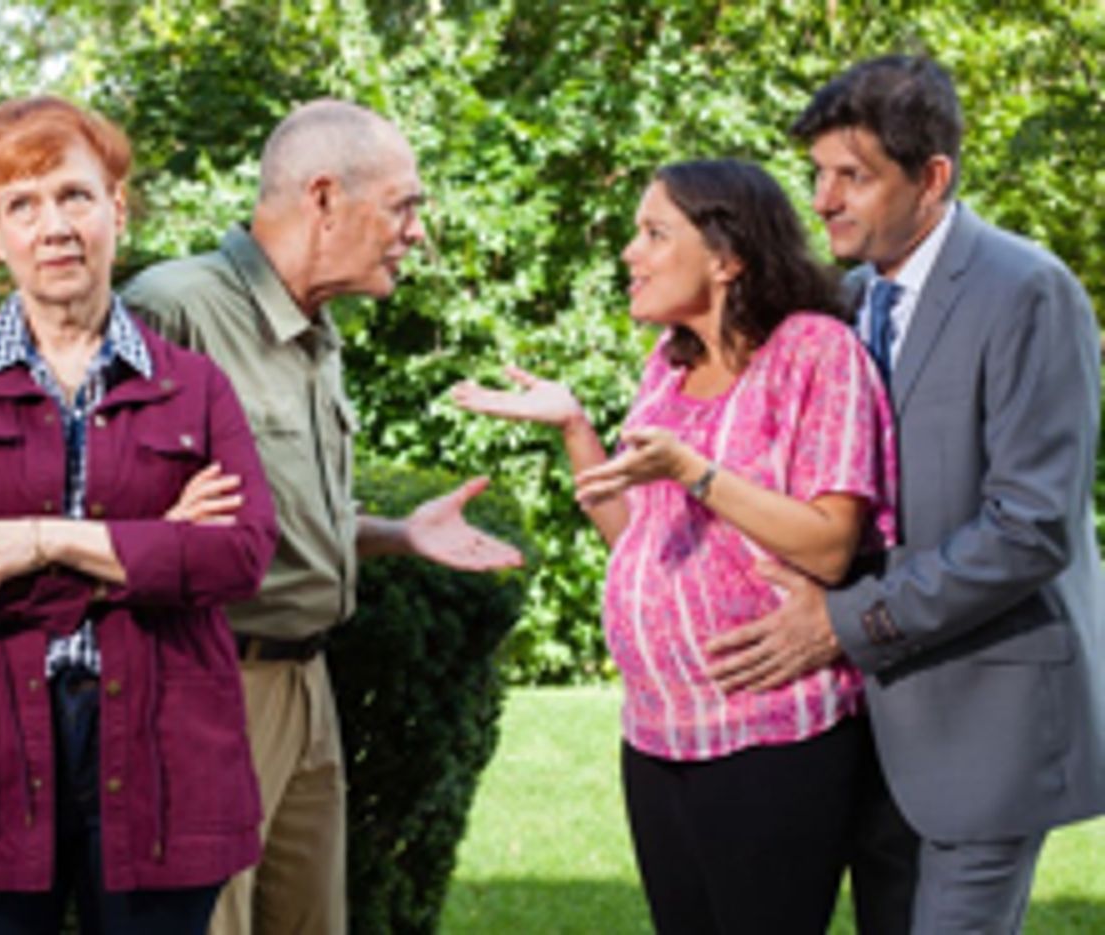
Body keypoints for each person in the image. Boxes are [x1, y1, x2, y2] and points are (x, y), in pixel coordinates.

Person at [704, 55, 1105, 934]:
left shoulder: (1029, 291)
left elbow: (1030, 528)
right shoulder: (847, 302)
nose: (822, 200)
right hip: (868, 729)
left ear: (933, 179)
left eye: (853, 176)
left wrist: (846, 621)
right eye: (817, 174)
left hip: (984, 723)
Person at [452, 158, 897, 933]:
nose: (631, 252)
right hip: (658, 733)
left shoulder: (814, 353)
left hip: (772, 735)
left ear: (728, 258)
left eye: (655, 232)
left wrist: (696, 472)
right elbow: (639, 538)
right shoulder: (669, 362)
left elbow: (830, 546)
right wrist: (576, 429)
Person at [121, 99, 522, 935]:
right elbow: (111, 524)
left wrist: (395, 534)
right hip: (209, 687)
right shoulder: (174, 309)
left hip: (307, 687)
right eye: (404, 205)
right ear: (326, 197)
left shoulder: (315, 328)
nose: (416, 232)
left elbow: (282, 524)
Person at [0, 96, 278, 934]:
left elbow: (242, 554)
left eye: (74, 195)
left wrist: (41, 539)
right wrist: (156, 545)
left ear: (116, 210)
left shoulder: (196, 386)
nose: (53, 225)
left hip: (167, 760)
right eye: (22, 205)